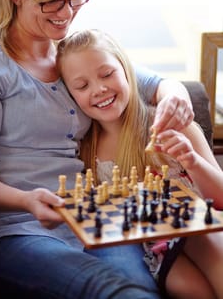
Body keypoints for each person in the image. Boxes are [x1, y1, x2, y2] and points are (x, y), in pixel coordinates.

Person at [0, 0, 195, 298]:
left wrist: (175, 95)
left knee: (140, 286)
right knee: (113, 290)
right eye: (52, 1)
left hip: (92, 221)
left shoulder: (69, 52)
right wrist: (27, 200)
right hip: (19, 231)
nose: (67, 12)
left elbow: (152, 83)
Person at [56, 28, 223, 299]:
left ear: (126, 70)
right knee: (191, 289)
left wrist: (192, 162)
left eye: (107, 74)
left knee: (207, 245)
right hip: (157, 248)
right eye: (82, 85)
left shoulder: (175, 127)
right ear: (70, 95)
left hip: (205, 228)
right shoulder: (83, 152)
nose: (99, 89)